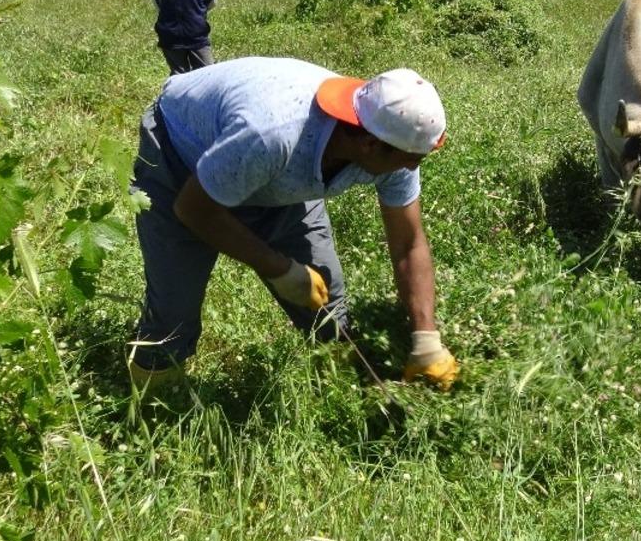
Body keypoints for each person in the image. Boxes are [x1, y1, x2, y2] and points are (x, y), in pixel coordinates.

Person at [127, 57, 458, 395]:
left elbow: (408, 244)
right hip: (181, 157)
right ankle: (152, 405)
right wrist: (279, 268)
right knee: (172, 318)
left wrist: (426, 337)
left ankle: (343, 393)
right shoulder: (273, 135)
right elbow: (193, 210)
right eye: (411, 160)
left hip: (268, 172)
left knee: (328, 313)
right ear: (370, 144)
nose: (412, 168)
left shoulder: (392, 140)